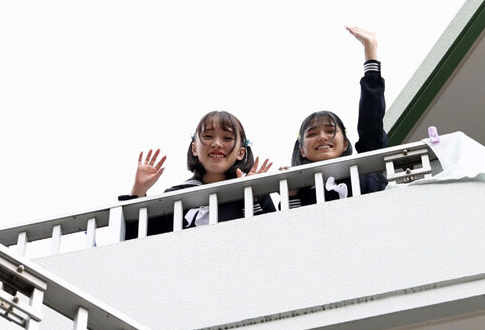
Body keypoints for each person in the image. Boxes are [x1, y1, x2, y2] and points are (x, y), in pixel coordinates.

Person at [119, 110, 274, 237]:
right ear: (194, 148)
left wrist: (250, 197)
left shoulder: (254, 192)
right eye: (208, 136)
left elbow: (273, 238)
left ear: (241, 152)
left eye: (227, 138)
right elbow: (136, 243)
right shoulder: (175, 197)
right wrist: (139, 190)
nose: (217, 144)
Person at [287, 26, 387, 207]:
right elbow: (293, 223)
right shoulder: (302, 192)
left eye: (330, 130)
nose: (322, 137)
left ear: (346, 143)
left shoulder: (365, 170)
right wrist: (291, 194)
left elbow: (371, 119)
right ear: (301, 150)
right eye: (312, 134)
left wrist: (370, 48)